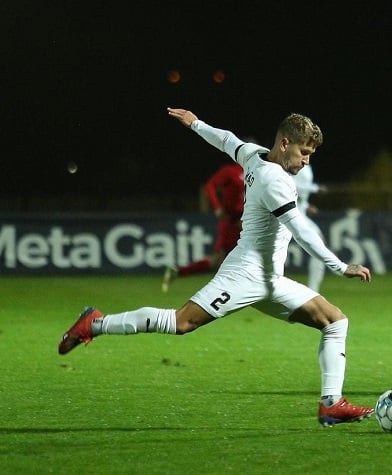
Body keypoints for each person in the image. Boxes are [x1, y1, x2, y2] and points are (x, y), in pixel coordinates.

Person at [59, 108, 375, 426]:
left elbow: (226, 139)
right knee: (181, 323)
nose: (306, 161)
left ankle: (331, 404)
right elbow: (301, 228)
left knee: (335, 321)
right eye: (303, 153)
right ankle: (94, 324)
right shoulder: (272, 179)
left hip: (270, 280)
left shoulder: (254, 156)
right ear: (284, 143)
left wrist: (195, 123)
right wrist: (339, 266)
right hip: (243, 275)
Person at [162, 162, 244, 292]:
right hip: (231, 222)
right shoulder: (231, 171)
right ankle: (178, 272)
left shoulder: (257, 171)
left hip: (246, 223)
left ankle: (178, 272)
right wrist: (217, 208)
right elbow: (210, 186)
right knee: (219, 260)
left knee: (225, 260)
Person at [292, 164, 327, 292]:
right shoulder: (287, 162)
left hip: (298, 215)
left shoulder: (305, 165)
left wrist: (305, 206)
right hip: (286, 215)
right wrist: (315, 188)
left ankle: (313, 291)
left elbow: (298, 195)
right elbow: (289, 185)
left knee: (319, 246)